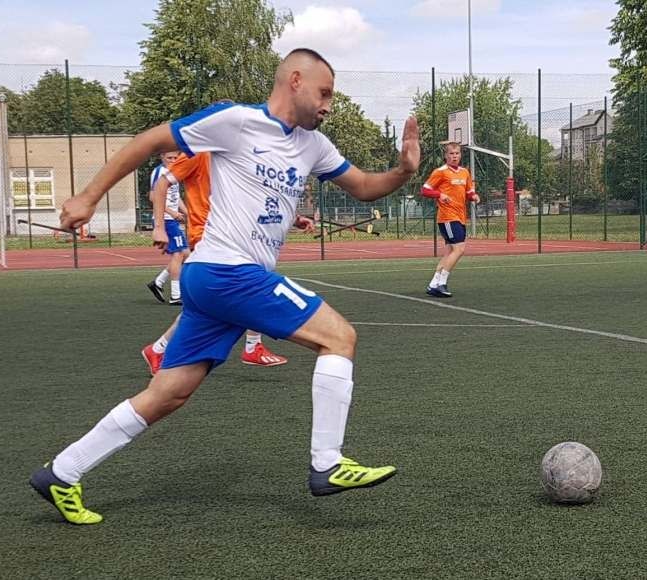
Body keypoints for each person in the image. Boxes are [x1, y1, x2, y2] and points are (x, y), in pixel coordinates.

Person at [29, 48, 420, 525]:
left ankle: (62, 473)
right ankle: (327, 463)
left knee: (168, 393)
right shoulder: (235, 121)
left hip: (213, 282)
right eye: (324, 93)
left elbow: (363, 186)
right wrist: (88, 196)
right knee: (339, 337)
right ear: (295, 80)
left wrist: (403, 171)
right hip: (227, 272)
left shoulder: (314, 145)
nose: (328, 106)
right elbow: (149, 141)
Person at [141, 148, 289, 374]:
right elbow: (161, 186)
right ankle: (252, 346)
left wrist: (292, 217)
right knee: (254, 282)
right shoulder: (198, 154)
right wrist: (159, 227)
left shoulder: (234, 156)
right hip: (209, 235)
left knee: (206, 307)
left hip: (230, 234)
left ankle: (158, 349)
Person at [420, 141, 478, 297]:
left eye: (457, 153)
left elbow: (468, 192)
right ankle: (442, 283)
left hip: (460, 217)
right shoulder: (440, 172)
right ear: (446, 156)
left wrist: (474, 196)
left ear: (460, 155)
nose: (454, 156)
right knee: (459, 249)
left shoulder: (465, 172)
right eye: (451, 154)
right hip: (447, 217)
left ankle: (433, 284)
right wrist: (440, 194)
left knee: (449, 253)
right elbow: (425, 190)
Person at [145, 151, 189, 305]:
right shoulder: (160, 172)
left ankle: (158, 282)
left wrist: (187, 213)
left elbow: (175, 197)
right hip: (165, 219)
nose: (173, 160)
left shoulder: (175, 171)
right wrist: (172, 213)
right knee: (179, 254)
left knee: (185, 254)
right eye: (169, 158)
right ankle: (175, 295)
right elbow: (153, 197)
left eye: (176, 158)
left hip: (172, 219)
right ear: (162, 157)